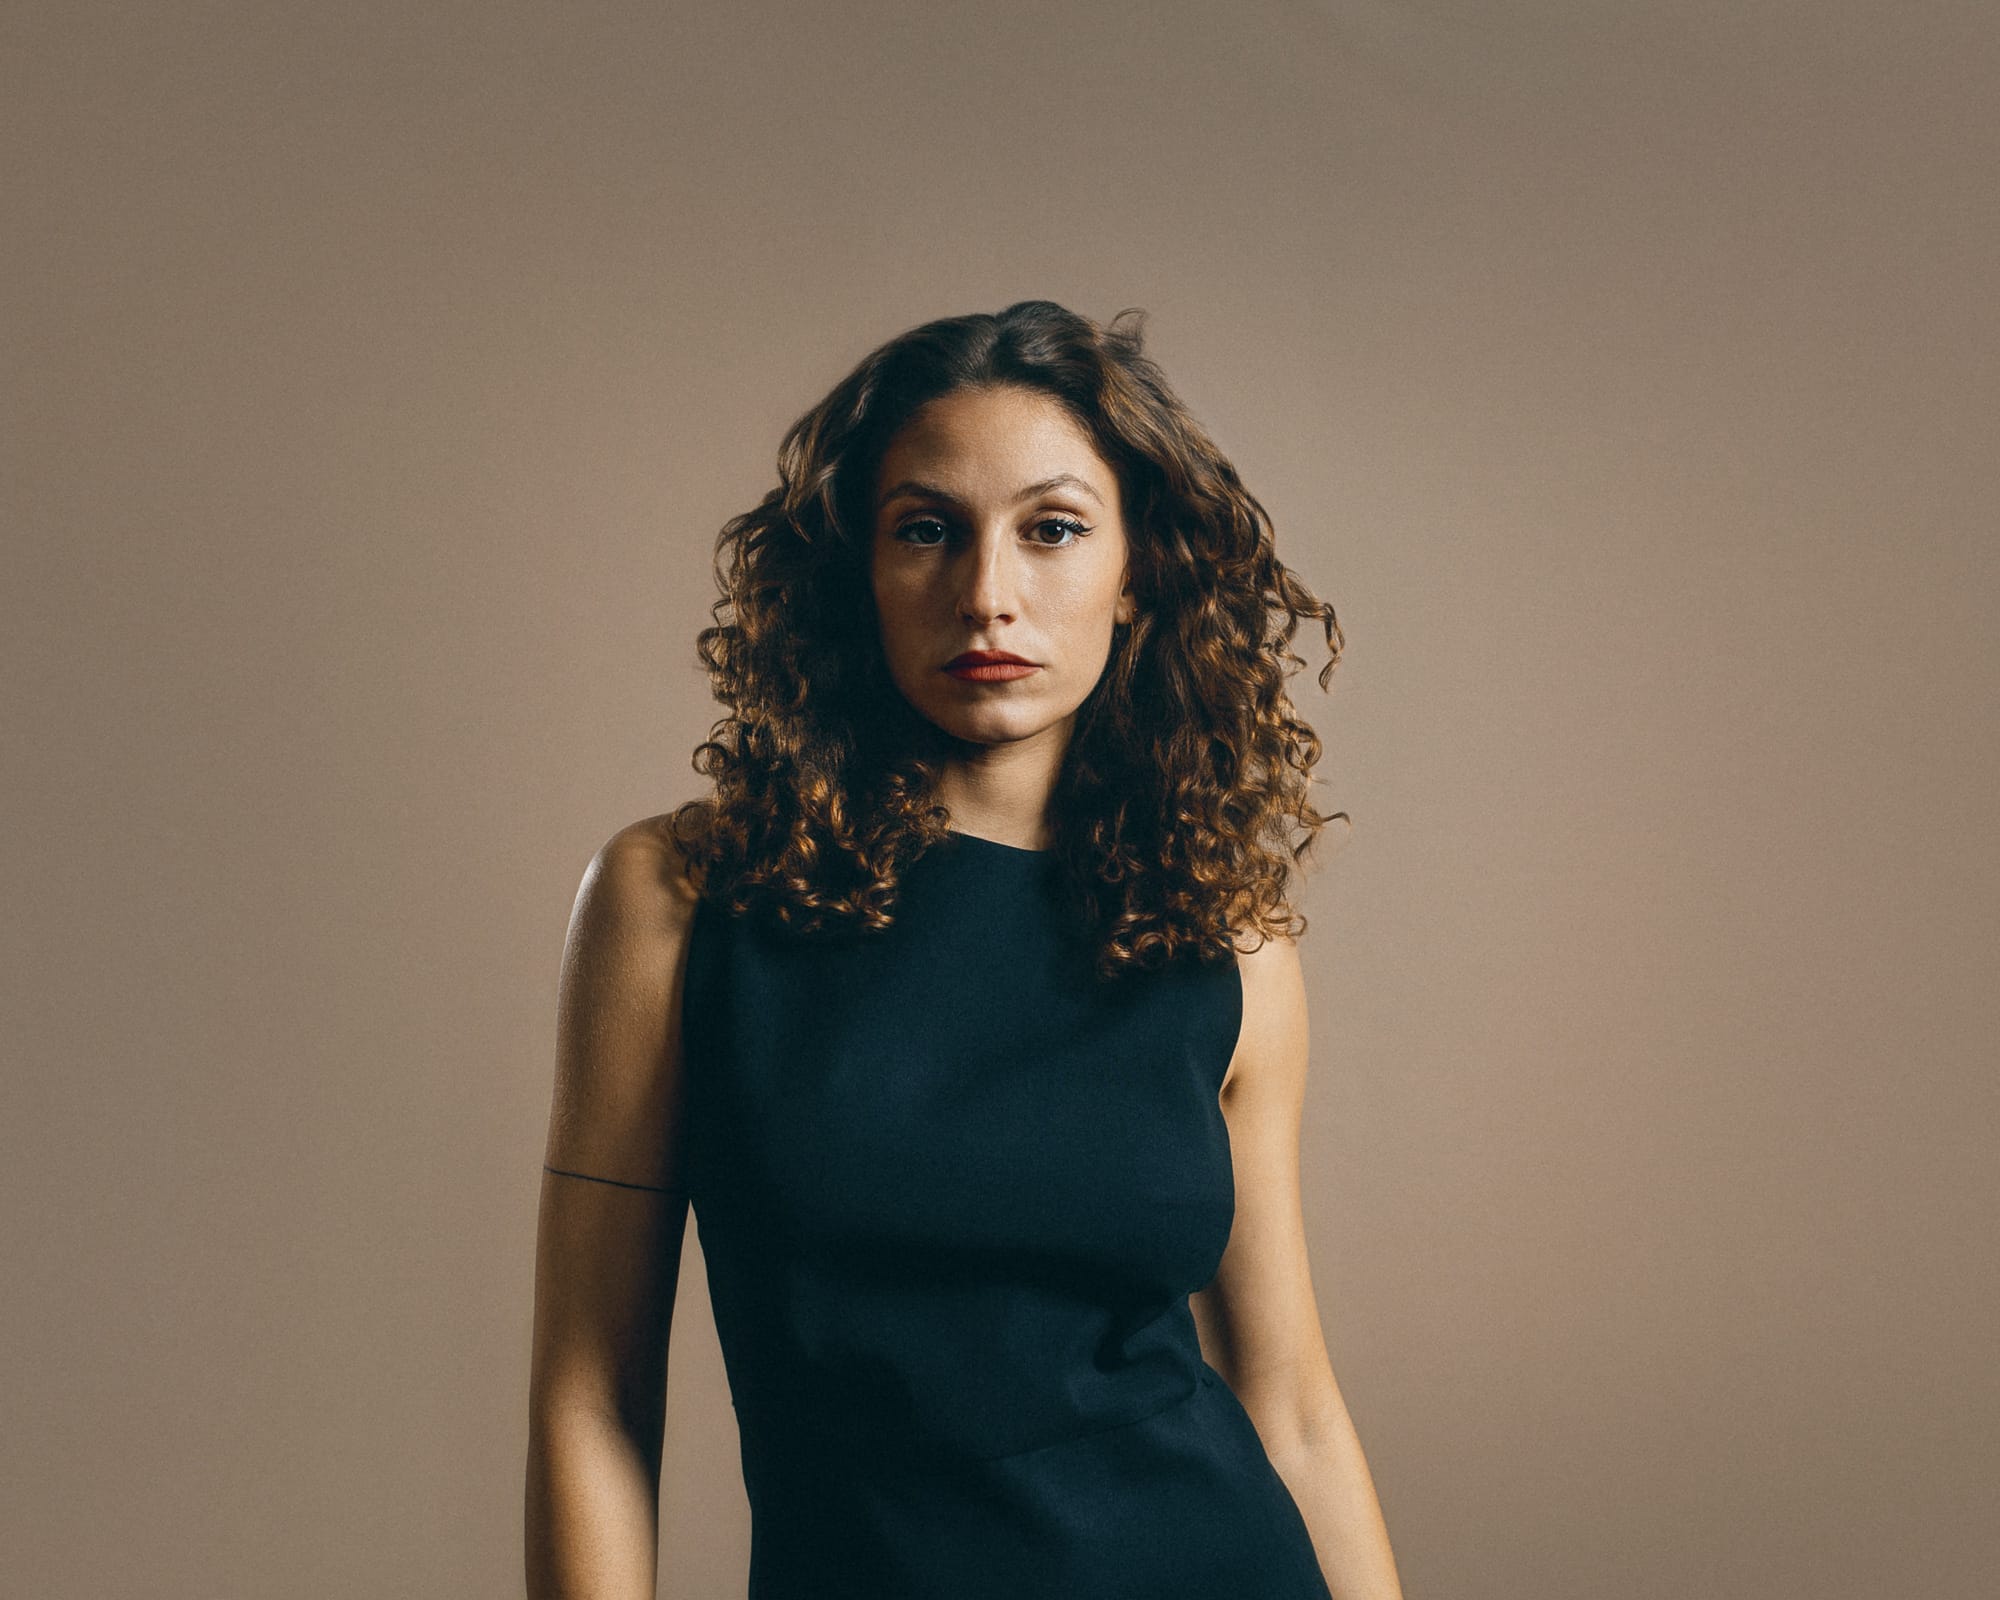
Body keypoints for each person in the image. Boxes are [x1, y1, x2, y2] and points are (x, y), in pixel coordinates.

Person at [524, 300, 1405, 1598]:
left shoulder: (1227, 947)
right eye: (928, 529)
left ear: (1137, 571)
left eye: (1054, 529)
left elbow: (1295, 1410)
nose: (988, 595)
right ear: (858, 570)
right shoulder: (678, 900)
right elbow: (591, 1394)